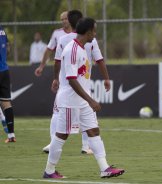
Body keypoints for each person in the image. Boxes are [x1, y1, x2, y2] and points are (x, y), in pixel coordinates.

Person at [43, 17, 125, 179]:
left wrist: (87, 100)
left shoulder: (82, 48)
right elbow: (72, 80)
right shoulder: (72, 50)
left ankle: (105, 168)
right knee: (62, 135)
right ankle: (49, 170)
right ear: (88, 32)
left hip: (82, 101)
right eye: (94, 31)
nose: (95, 34)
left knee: (93, 130)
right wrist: (91, 100)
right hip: (69, 101)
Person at [34, 11, 71, 76]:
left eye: (66, 19)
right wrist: (41, 66)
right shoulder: (56, 33)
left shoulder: (79, 33)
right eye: (62, 20)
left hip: (77, 67)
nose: (64, 21)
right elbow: (48, 50)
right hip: (62, 69)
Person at [0, 25, 16, 143]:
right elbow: (8, 49)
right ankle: (11, 135)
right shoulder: (2, 30)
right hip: (4, 70)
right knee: (6, 102)